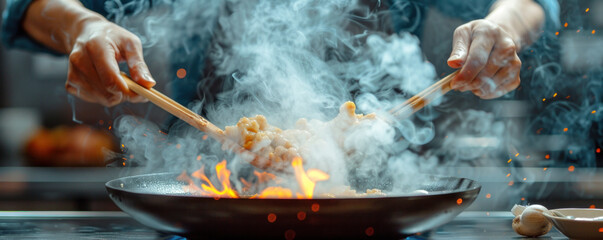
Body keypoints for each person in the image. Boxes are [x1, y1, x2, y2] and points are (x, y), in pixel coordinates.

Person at [2, 0, 559, 107]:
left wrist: (498, 27)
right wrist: (81, 23)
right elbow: (23, 6)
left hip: (378, 188)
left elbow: (529, 3)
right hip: (211, 191)